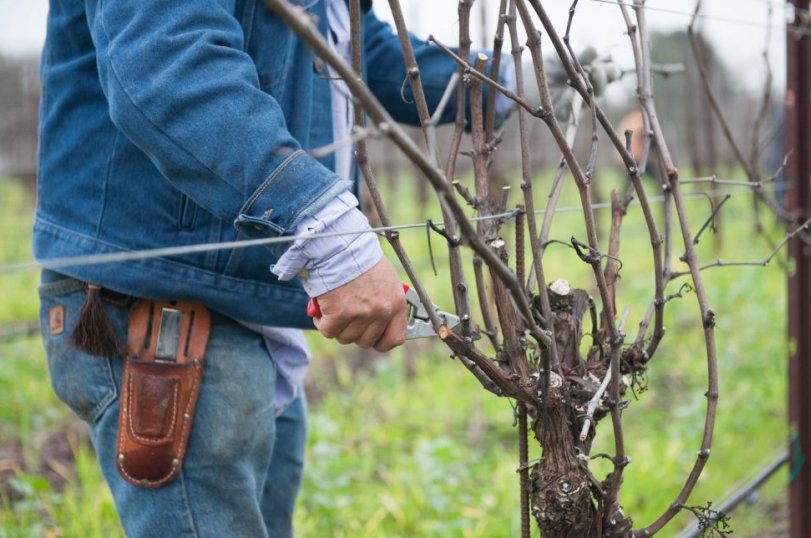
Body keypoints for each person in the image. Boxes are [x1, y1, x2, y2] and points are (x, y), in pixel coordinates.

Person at [34, 0, 517, 536]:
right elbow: (168, 61)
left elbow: (360, 49)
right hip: (164, 307)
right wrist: (321, 224)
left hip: (250, 293)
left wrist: (502, 80)